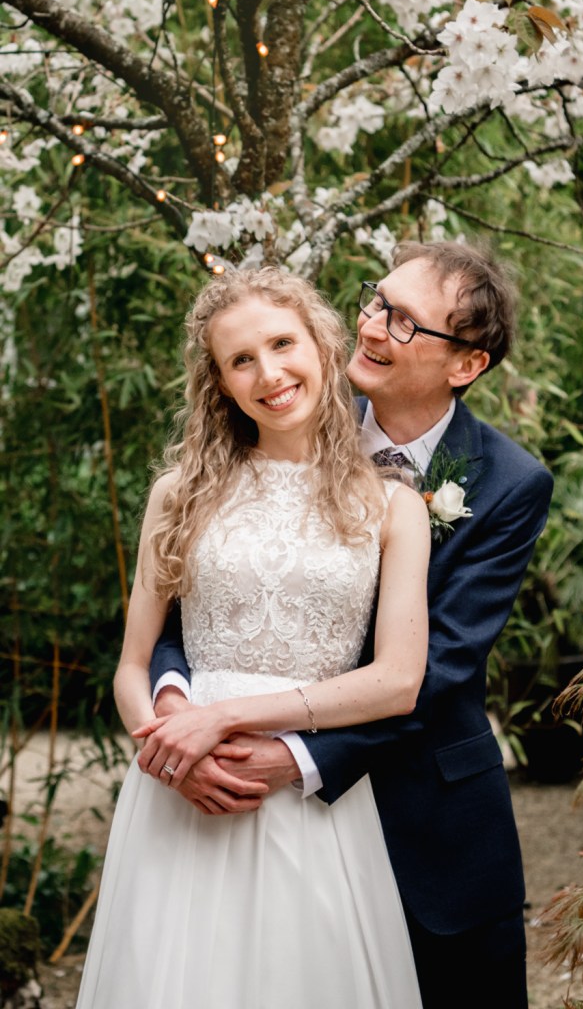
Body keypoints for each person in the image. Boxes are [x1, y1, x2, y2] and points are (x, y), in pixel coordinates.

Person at [149, 241, 554, 1008]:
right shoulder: (278, 404)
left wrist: (292, 755)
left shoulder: (509, 484)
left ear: (465, 364)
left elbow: (439, 668)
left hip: (427, 823)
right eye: (377, 301)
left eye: (404, 322)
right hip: (254, 816)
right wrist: (176, 710)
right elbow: (189, 601)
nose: (370, 325)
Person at [76, 268, 432, 1009]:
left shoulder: (393, 507)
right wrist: (167, 754)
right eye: (241, 359)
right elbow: (133, 668)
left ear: (323, 347)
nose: (269, 373)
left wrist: (223, 719)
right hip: (181, 792)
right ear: (219, 382)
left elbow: (398, 681)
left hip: (308, 798)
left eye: (282, 344)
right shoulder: (177, 494)